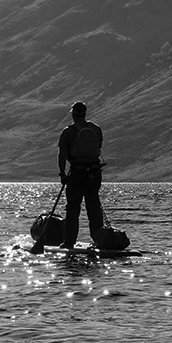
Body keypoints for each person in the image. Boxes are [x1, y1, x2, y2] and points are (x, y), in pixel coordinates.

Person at [57, 101, 105, 248]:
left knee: (73, 209)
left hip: (76, 174)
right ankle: (99, 241)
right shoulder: (96, 129)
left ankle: (69, 242)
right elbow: (99, 147)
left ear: (72, 114)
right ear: (85, 113)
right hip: (94, 173)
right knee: (94, 208)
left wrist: (62, 174)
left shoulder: (68, 132)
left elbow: (62, 155)